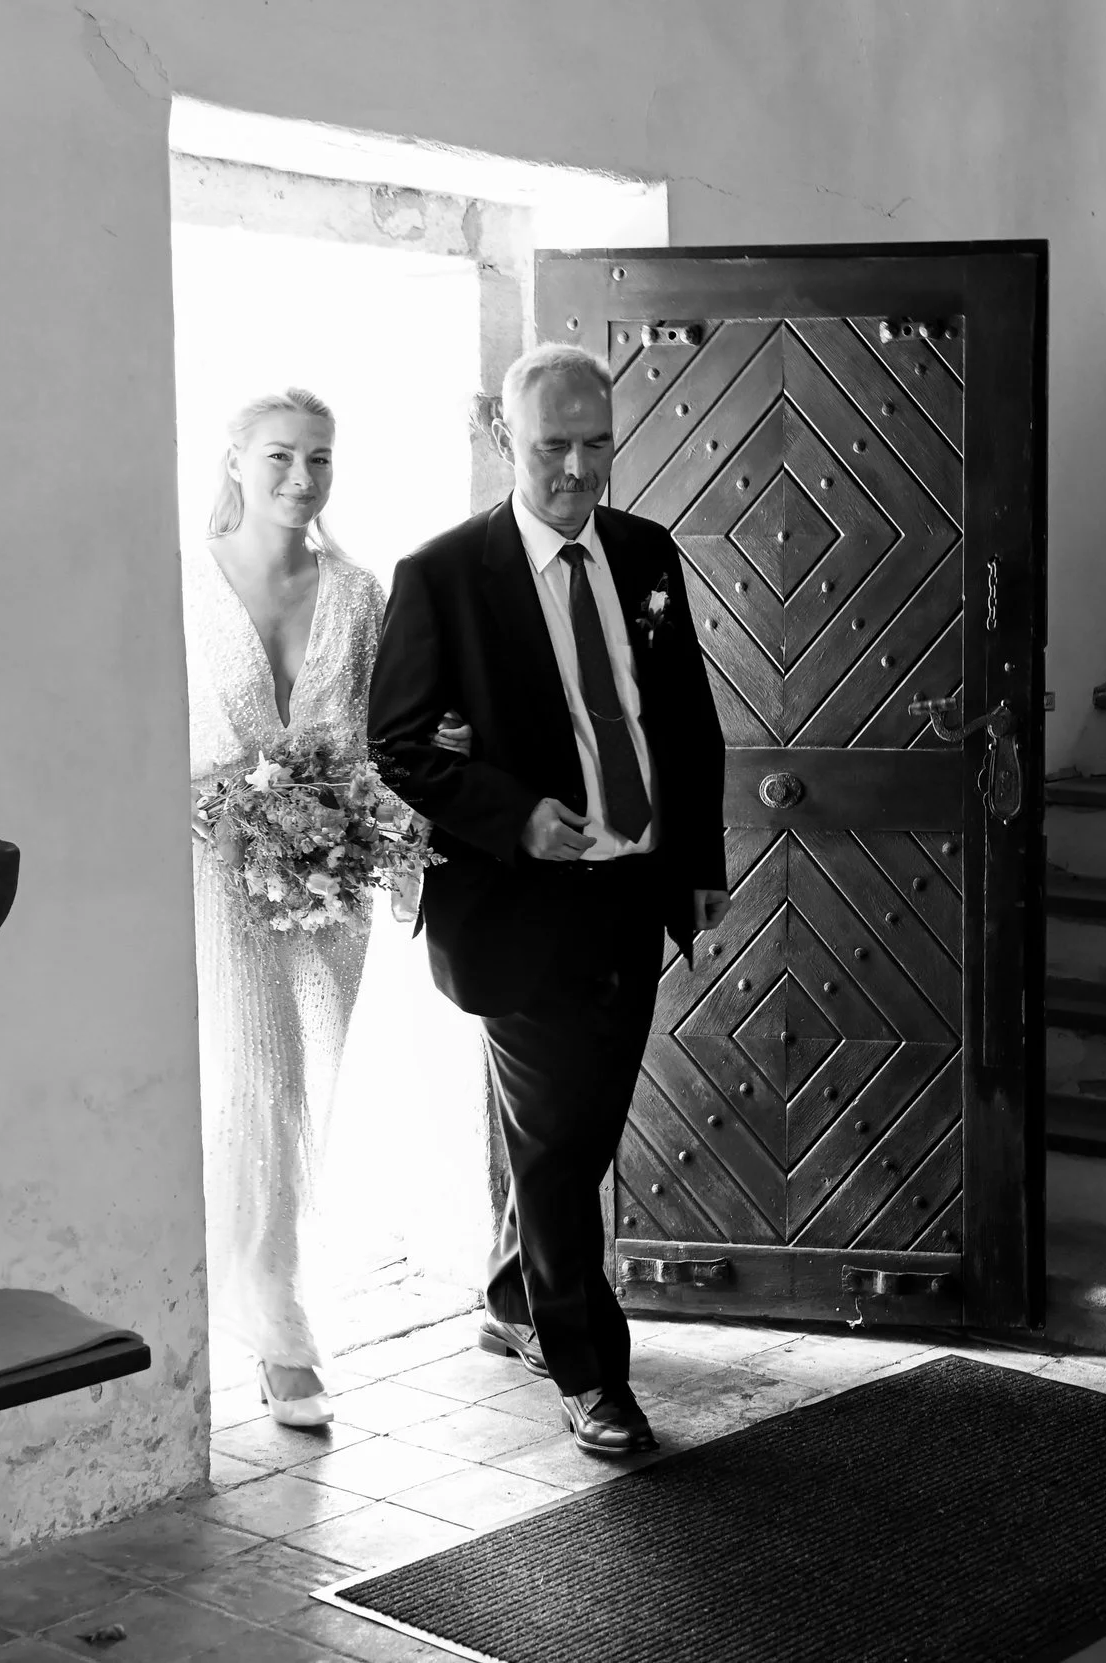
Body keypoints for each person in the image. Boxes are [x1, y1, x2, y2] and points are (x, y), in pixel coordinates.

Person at [369, 343, 730, 1456]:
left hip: (634, 888)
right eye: (551, 447)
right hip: (517, 907)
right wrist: (512, 814)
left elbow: (682, 717)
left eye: (595, 444)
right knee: (556, 1144)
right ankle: (589, 1373)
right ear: (501, 440)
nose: (576, 468)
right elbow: (397, 741)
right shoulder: (441, 574)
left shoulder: (645, 552)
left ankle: (516, 1292)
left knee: (577, 1131)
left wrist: (701, 860)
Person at [183, 388, 471, 1427]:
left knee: (299, 1090)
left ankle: (268, 1303)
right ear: (233, 460)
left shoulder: (357, 592)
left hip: (325, 881)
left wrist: (369, 820)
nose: (301, 480)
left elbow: (387, 732)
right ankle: (270, 1326)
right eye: (279, 458)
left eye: (320, 460)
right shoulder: (180, 582)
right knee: (241, 1086)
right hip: (208, 874)